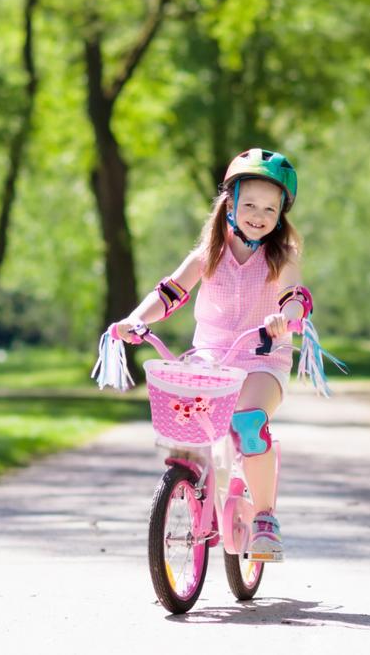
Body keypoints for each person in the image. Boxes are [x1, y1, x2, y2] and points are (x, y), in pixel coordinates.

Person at [109, 148, 318, 563]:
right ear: (230, 203)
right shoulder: (211, 251)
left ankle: (263, 519)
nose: (258, 215)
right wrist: (134, 320)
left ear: (281, 214)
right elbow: (170, 292)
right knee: (186, 428)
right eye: (250, 205)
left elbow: (295, 294)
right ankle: (193, 484)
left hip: (262, 357)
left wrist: (285, 316)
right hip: (211, 357)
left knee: (249, 424)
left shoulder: (282, 254)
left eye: (270, 208)